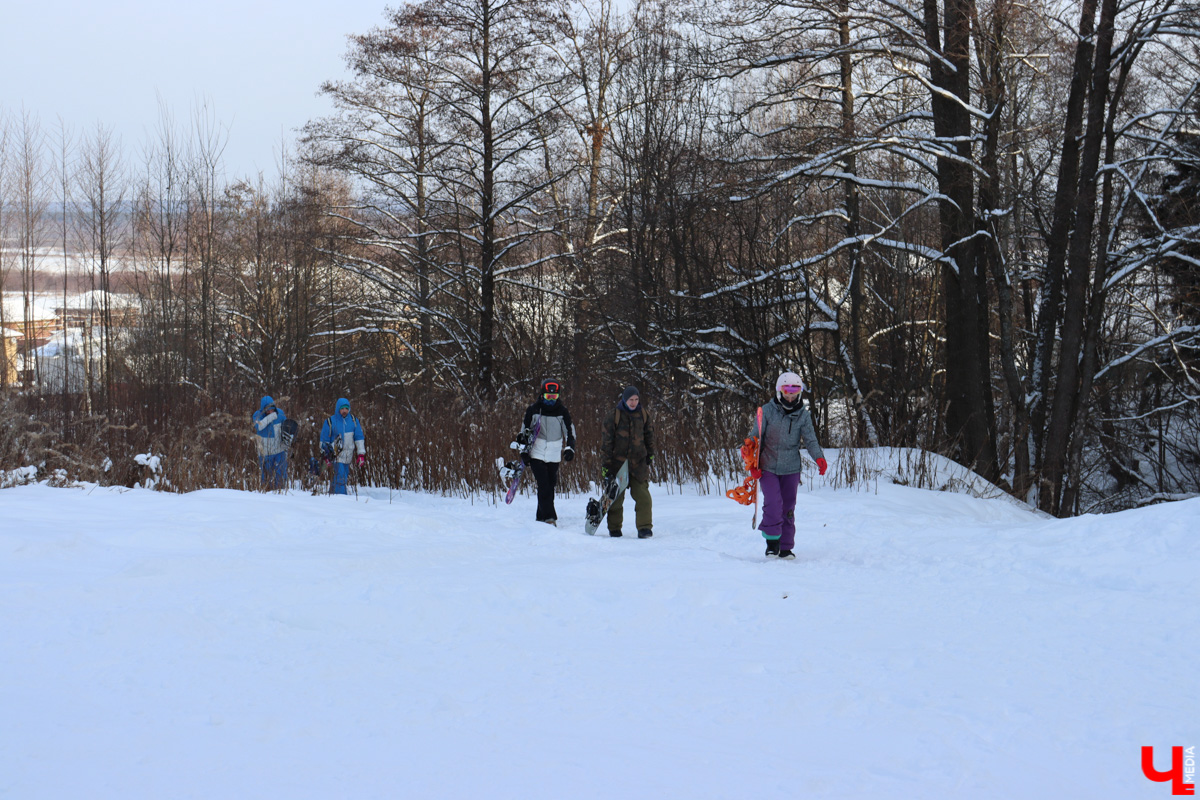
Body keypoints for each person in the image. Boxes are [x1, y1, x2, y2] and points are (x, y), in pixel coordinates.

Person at [750, 371, 827, 559]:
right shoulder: (767, 411)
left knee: (788, 507)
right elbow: (754, 438)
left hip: (791, 468)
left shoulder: (803, 416)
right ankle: (772, 544)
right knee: (773, 503)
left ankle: (785, 547)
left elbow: (810, 440)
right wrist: (752, 461)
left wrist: (819, 458)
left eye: (794, 393)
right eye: (787, 393)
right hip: (767, 466)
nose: (790, 397)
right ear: (779, 391)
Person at [518, 379, 577, 526]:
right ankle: (550, 517)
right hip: (536, 452)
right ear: (542, 395)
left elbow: (569, 431)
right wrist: (523, 451)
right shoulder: (533, 410)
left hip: (554, 454)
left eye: (554, 397)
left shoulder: (562, 412)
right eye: (548, 396)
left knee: (550, 485)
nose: (551, 400)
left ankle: (540, 516)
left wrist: (570, 448)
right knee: (543, 484)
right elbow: (524, 431)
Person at [600, 385, 655, 538]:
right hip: (618, 464)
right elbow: (606, 443)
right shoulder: (614, 416)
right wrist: (606, 465)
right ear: (624, 399)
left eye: (636, 399)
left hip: (638, 464)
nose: (633, 402)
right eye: (631, 399)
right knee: (616, 499)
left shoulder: (644, 414)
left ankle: (644, 528)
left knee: (644, 498)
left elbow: (649, 435)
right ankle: (614, 528)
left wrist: (650, 454)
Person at [320, 397, 366, 495]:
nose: (344, 411)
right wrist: (325, 455)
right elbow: (324, 439)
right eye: (342, 409)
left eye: (346, 408)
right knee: (341, 477)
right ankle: (341, 498)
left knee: (342, 476)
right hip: (336, 455)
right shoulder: (330, 421)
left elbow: (359, 437)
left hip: (348, 455)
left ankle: (332, 495)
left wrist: (361, 454)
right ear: (338, 409)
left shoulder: (353, 420)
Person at [252, 395, 288, 490]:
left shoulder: (280, 414)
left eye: (272, 409)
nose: (270, 412)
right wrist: (271, 417)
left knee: (281, 476)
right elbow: (259, 426)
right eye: (268, 410)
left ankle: (280, 493)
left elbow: (286, 427)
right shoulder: (257, 415)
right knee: (267, 477)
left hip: (280, 451)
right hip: (265, 453)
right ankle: (267, 494)